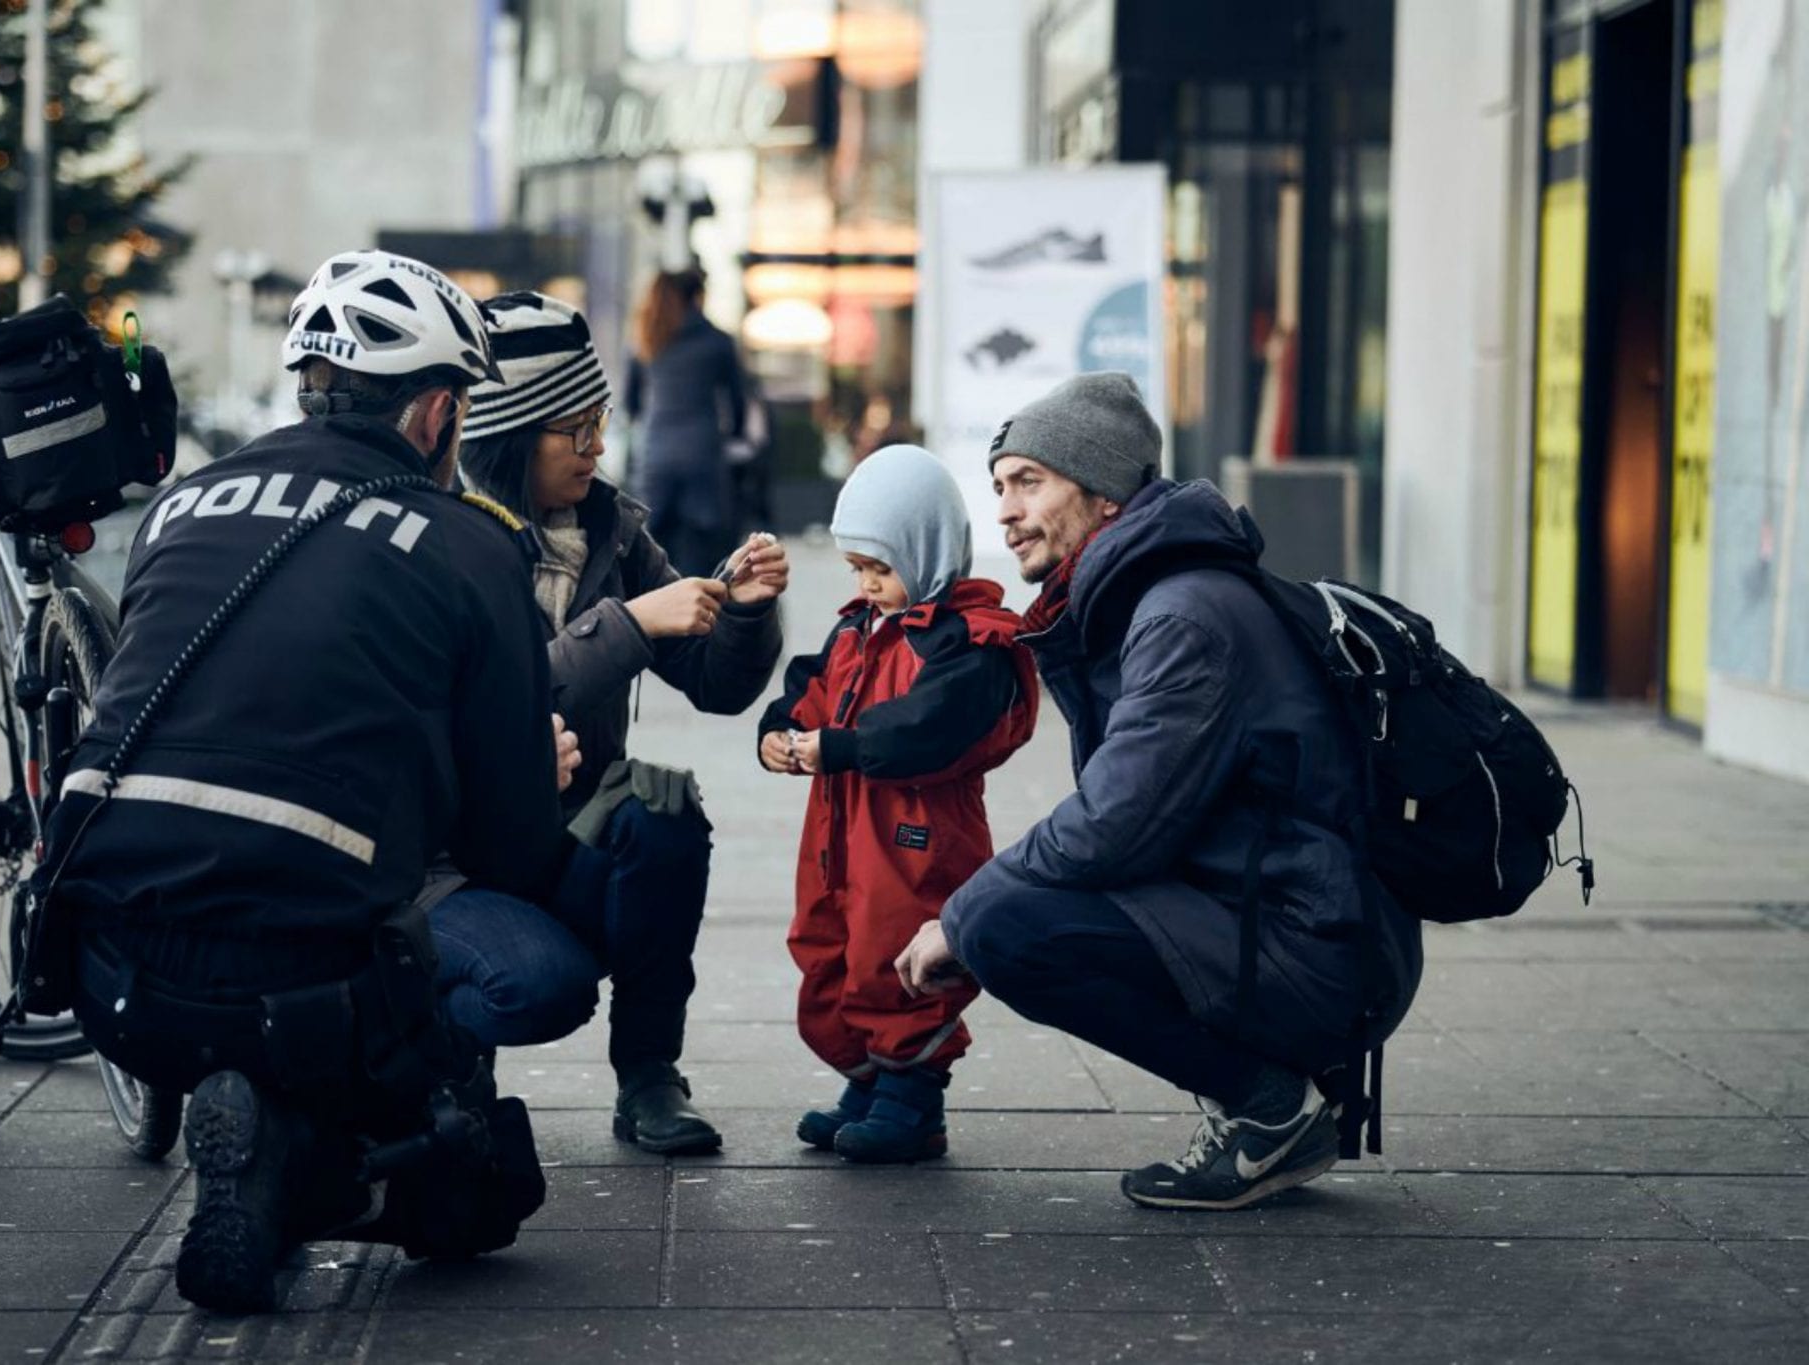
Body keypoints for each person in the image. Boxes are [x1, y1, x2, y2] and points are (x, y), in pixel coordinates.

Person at [46, 250, 599, 1312]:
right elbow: (506, 845)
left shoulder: (180, 505)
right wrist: (542, 777)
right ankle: (312, 1159)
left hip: (113, 974)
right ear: (436, 415)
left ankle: (258, 1139)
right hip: (311, 983)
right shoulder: (467, 545)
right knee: (480, 1199)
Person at [893, 373, 1423, 1211]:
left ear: (1103, 494)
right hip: (1295, 924)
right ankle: (1271, 1097)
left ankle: (1269, 1109)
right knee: (1022, 902)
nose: (1004, 511)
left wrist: (957, 914)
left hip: (1315, 950)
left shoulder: (1181, 615)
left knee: (1004, 925)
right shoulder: (1153, 594)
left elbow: (1112, 827)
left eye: (1029, 481)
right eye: (999, 487)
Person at [458, 291, 788, 1154]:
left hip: (570, 829)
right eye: (574, 430)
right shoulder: (444, 536)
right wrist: (634, 623)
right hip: (456, 850)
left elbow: (716, 689)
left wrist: (745, 612)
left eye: (600, 421)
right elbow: (499, 701)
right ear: (510, 431)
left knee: (664, 814)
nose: (598, 447)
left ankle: (649, 1075)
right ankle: (450, 1069)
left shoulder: (611, 527)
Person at [758, 444, 1038, 1163]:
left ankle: (912, 1095)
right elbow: (812, 685)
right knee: (831, 942)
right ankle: (871, 1078)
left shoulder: (965, 642)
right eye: (857, 568)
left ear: (926, 549)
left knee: (900, 951)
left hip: (918, 839)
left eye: (880, 568)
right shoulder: (859, 626)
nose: (867, 583)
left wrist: (839, 746)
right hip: (843, 832)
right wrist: (782, 731)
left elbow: (926, 727)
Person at [623, 268, 747, 575]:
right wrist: (732, 436)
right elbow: (737, 403)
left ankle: (659, 612)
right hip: (702, 453)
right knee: (704, 547)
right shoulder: (718, 341)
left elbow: (631, 403)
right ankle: (701, 612)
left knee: (653, 541)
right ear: (698, 296)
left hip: (656, 452)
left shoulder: (647, 339)